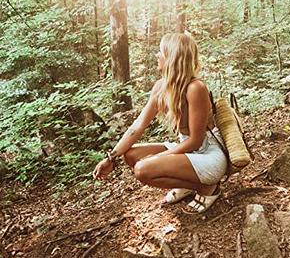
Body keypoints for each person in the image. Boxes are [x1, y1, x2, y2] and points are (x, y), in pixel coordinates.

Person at [92, 33, 228, 214]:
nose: (157, 55)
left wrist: (160, 158)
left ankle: (207, 187)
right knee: (130, 156)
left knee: (142, 170)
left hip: (208, 155)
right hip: (188, 151)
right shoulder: (160, 87)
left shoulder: (196, 88)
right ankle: (189, 184)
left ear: (173, 57)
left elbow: (196, 141)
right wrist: (111, 158)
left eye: (161, 51)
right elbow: (137, 126)